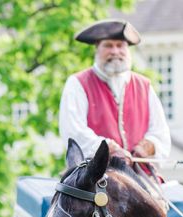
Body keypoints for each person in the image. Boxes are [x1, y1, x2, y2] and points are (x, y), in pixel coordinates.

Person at [59, 19, 173, 181]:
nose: (115, 51)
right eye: (108, 45)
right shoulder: (78, 83)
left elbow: (160, 132)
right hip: (94, 179)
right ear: (97, 49)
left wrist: (145, 147)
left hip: (141, 178)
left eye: (120, 45)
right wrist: (110, 150)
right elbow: (74, 132)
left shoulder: (144, 85)